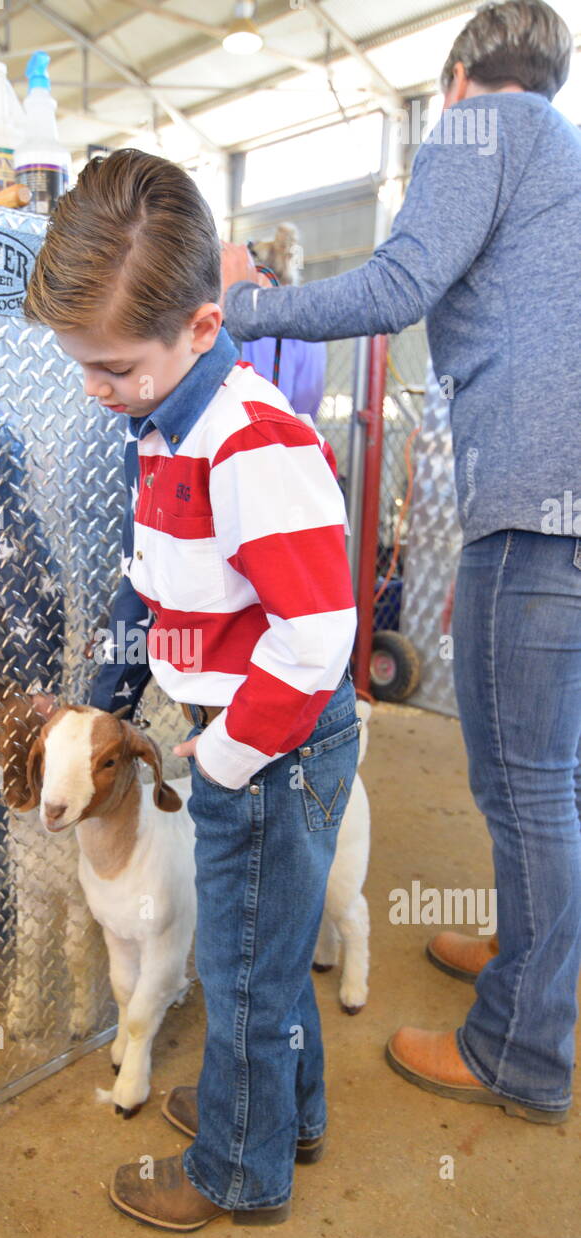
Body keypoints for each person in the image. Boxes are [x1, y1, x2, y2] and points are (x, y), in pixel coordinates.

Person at [222, 0, 581, 1123]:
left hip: (531, 496)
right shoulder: (563, 155)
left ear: (458, 74)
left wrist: (240, 304)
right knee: (552, 774)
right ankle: (536, 970)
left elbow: (395, 286)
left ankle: (519, 1048)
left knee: (520, 781)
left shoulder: (480, 129)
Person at [23, 147, 359, 1230]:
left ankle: (235, 1169)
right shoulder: (161, 425)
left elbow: (315, 637)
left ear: (202, 329)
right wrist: (102, 689)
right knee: (268, 948)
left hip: (270, 743)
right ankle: (281, 1115)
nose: (95, 387)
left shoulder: (249, 443)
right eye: (83, 364)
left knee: (240, 969)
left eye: (113, 366)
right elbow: (147, 579)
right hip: (235, 731)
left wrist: (216, 766)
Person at [239, 223, 327, 419]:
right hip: (296, 432)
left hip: (248, 431)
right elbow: (310, 392)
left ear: (257, 273)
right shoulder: (308, 320)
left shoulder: (249, 319)